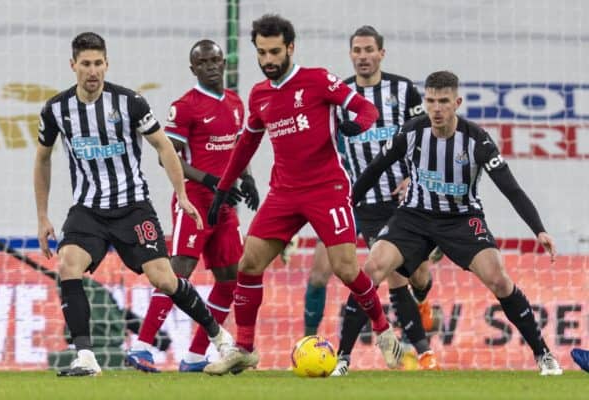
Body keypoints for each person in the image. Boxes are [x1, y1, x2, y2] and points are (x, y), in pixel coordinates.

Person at [203, 14, 403, 376]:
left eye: (275, 51)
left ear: (291, 48)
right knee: (248, 265)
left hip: (328, 189)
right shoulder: (259, 94)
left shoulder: (317, 80)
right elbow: (247, 142)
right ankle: (245, 349)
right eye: (262, 53)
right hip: (284, 192)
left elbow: (366, 108)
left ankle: (383, 329)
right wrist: (222, 187)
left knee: (345, 269)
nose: (268, 60)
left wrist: (357, 123)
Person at [34, 32, 235, 377]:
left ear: (107, 64)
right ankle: (86, 357)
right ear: (73, 66)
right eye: (85, 64)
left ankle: (220, 337)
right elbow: (42, 160)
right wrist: (42, 216)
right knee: (68, 264)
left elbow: (164, 146)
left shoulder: (130, 103)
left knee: (165, 279)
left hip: (133, 207)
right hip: (88, 209)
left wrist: (182, 195)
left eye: (98, 63)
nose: (92, 71)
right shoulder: (56, 110)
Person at [350, 70, 563, 376]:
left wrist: (538, 228)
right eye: (431, 101)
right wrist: (347, 203)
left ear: (457, 102)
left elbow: (510, 187)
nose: (436, 108)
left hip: (462, 220)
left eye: (444, 101)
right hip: (417, 218)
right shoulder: (412, 131)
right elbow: (373, 170)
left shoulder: (477, 139)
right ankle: (344, 356)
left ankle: (543, 355)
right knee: (374, 271)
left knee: (498, 279)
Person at [125, 39, 259, 373]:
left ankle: (196, 355)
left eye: (216, 60)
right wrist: (213, 182)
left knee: (229, 279)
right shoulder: (184, 106)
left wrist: (249, 178)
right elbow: (167, 157)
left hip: (226, 207)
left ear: (224, 62)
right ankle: (142, 347)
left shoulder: (235, 102)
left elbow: (238, 149)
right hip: (195, 203)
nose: (212, 66)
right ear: (193, 69)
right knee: (176, 273)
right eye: (204, 62)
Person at [328, 25, 443, 376]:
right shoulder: (341, 96)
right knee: (389, 273)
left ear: (381, 53)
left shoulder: (404, 90)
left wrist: (413, 175)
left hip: (407, 199)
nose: (363, 56)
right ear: (351, 55)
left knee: (418, 275)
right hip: (368, 203)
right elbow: (329, 144)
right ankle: (422, 353)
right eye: (357, 50)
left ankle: (421, 299)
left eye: (369, 50)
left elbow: (423, 139)